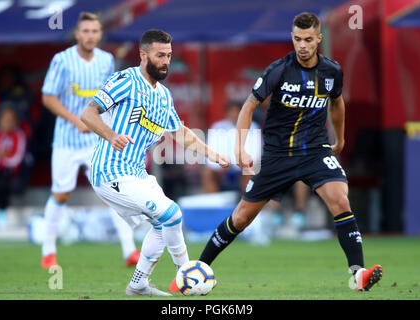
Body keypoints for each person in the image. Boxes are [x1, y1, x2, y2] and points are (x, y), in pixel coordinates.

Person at [197, 12, 383, 292]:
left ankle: (358, 273)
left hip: (316, 151)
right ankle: (198, 267)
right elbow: (248, 106)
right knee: (241, 218)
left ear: (319, 39)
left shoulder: (332, 71)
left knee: (340, 200)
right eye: (297, 39)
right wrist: (239, 148)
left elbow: (337, 104)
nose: (302, 45)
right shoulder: (278, 70)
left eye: (308, 39)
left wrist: (340, 139)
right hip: (278, 154)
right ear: (292, 39)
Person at [80, 29, 230, 297]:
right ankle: (187, 273)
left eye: (169, 56)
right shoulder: (125, 80)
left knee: (163, 224)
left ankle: (138, 284)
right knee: (172, 214)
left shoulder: (163, 95)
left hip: (137, 174)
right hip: (109, 171)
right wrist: (112, 135)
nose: (165, 61)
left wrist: (212, 153)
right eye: (160, 55)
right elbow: (88, 113)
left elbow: (180, 133)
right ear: (143, 54)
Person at [40, 12, 140, 269]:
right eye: (85, 31)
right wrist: (76, 120)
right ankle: (48, 251)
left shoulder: (106, 61)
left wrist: (107, 126)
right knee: (61, 194)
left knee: (114, 192)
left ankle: (130, 250)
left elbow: (107, 99)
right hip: (67, 140)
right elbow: (48, 97)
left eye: (95, 31)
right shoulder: (61, 60)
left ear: (99, 34)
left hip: (96, 140)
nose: (90, 36)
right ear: (77, 34)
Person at [202, 100, 261, 194]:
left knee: (249, 171)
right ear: (226, 113)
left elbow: (256, 153)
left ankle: (245, 204)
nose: (234, 114)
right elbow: (211, 151)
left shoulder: (252, 126)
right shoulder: (217, 127)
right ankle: (215, 205)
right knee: (208, 173)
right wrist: (221, 164)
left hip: (244, 165)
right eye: (231, 111)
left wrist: (241, 164)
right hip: (222, 165)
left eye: (236, 111)